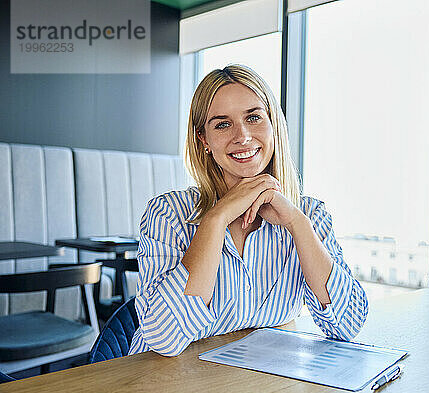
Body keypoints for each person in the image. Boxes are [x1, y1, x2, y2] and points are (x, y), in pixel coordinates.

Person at [128, 64, 368, 357]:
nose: (242, 136)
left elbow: (349, 325)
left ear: (273, 125)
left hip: (257, 382)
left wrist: (296, 223)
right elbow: (164, 340)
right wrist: (216, 220)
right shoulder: (168, 214)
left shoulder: (309, 214)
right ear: (204, 139)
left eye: (253, 117)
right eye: (222, 124)